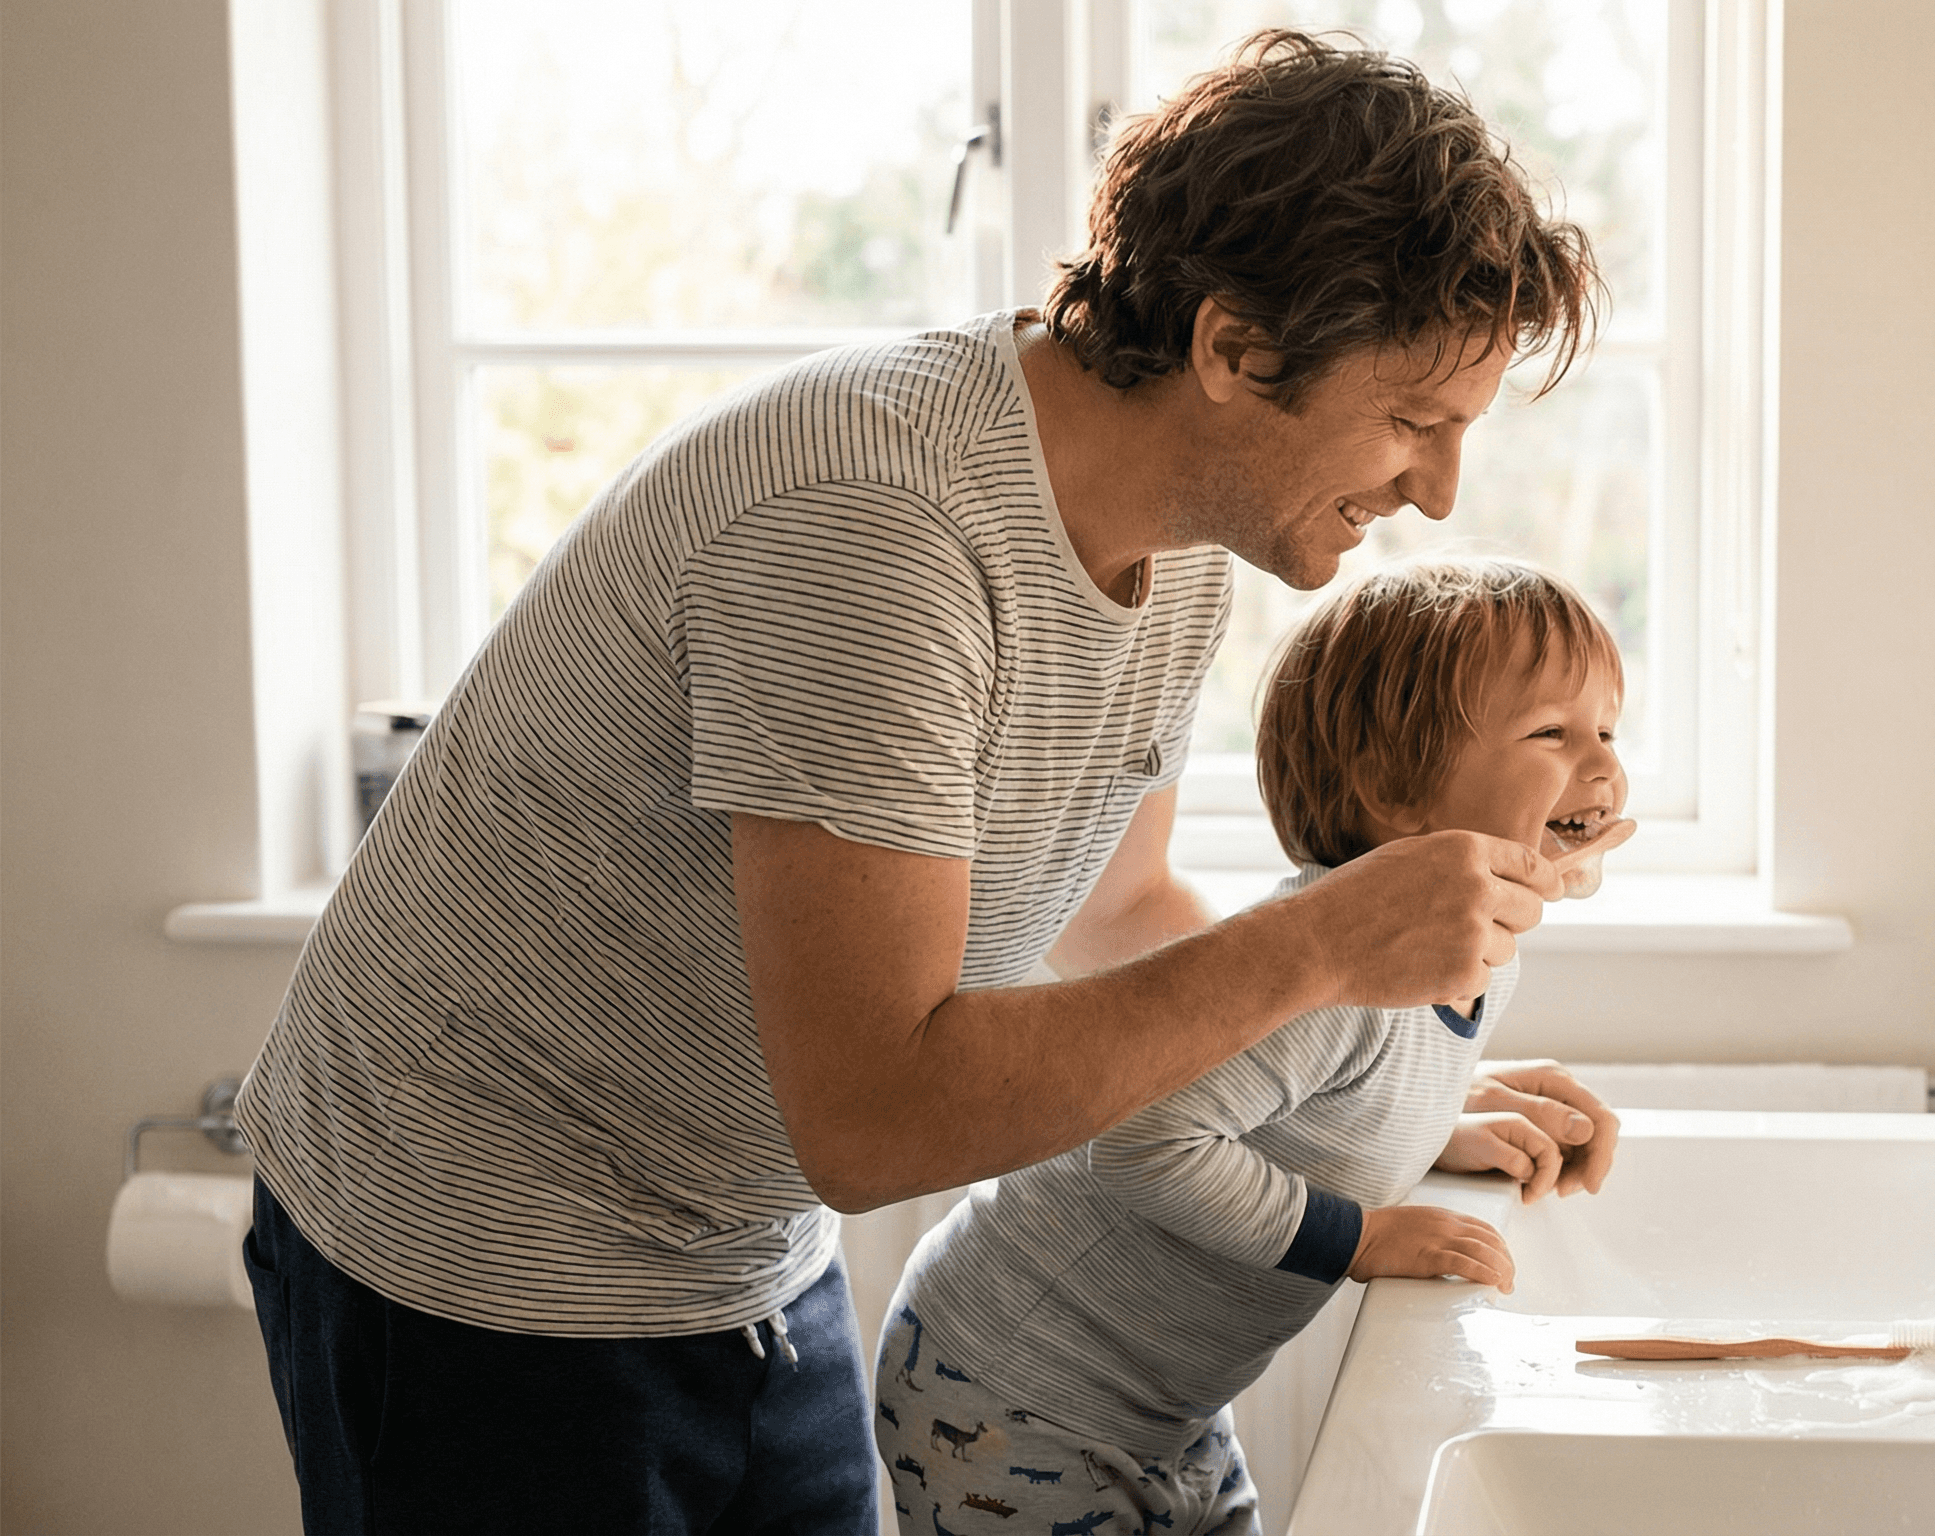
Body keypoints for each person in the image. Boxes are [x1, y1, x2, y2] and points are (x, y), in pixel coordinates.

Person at [231, 31, 1609, 1534]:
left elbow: (1122, 908)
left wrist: (1373, 1108)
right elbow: (880, 1117)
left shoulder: (1181, 552)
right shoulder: (878, 532)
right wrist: (1327, 940)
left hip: (742, 1251)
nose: (1440, 490)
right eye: (1414, 420)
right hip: (476, 1271)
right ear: (1229, 351)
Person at [873, 559, 1633, 1536]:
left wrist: (1440, 1117)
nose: (1604, 766)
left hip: (1157, 1407)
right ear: (1394, 790)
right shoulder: (1324, 976)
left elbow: (1314, 1094)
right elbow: (1144, 1144)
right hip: (1013, 1390)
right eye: (1551, 735)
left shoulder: (1472, 952)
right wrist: (1355, 1241)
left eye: (1607, 731)